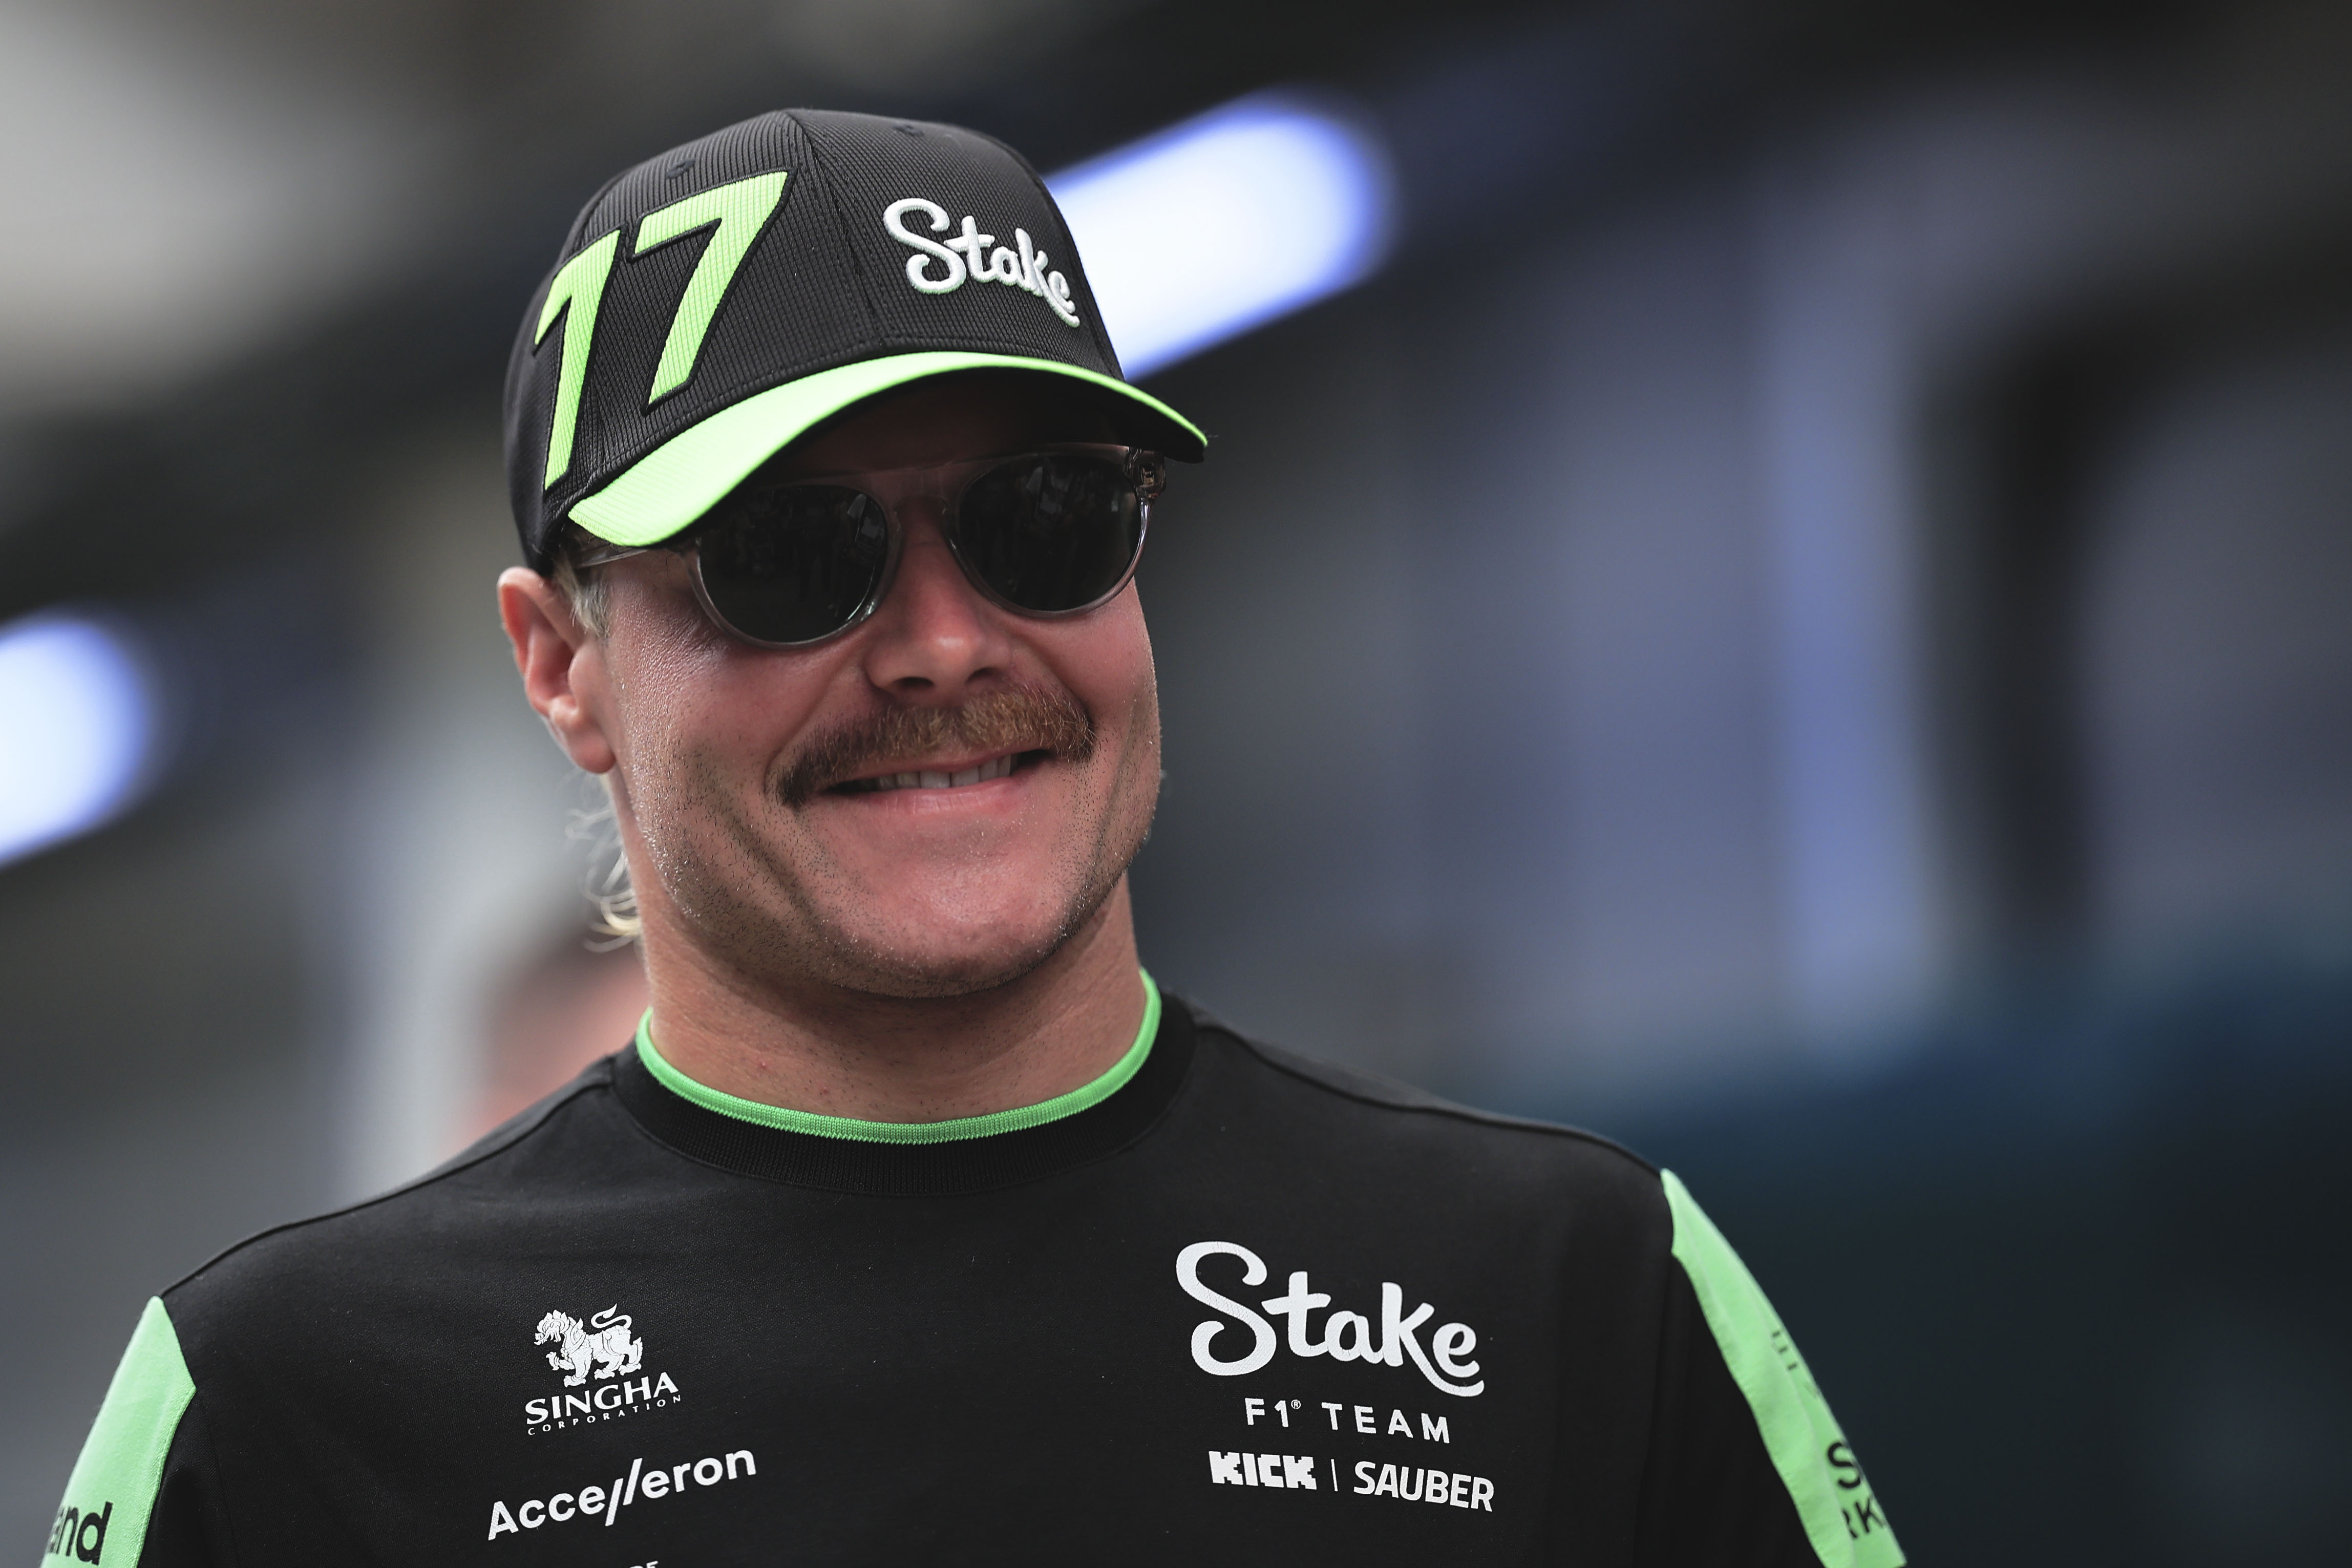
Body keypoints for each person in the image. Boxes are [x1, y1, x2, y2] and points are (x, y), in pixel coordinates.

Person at [47, 109, 1904, 1567]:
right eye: (792, 558)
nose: (945, 646)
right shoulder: (286, 1406)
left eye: (1040, 520)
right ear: (563, 666)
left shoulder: (1573, 1288)